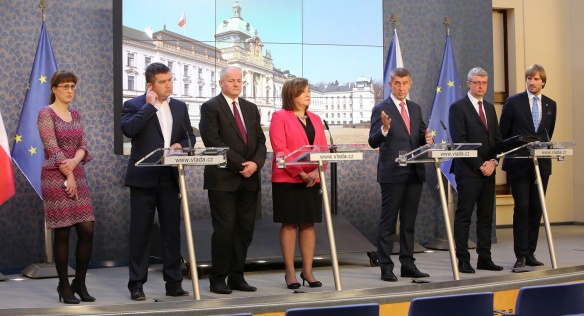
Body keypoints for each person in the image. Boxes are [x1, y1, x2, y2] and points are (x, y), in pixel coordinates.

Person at [121, 62, 195, 300]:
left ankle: (173, 282)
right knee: (140, 233)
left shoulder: (180, 107)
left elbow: (190, 137)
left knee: (171, 232)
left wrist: (180, 146)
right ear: (150, 85)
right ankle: (137, 284)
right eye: (164, 82)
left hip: (170, 177)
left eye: (171, 80)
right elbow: (129, 130)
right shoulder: (133, 105)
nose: (169, 85)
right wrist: (149, 106)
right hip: (143, 178)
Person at [199, 66, 267, 294]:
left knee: (244, 231)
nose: (237, 84)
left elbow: (260, 141)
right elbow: (213, 141)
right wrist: (241, 166)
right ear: (221, 83)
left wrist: (256, 164)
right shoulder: (210, 107)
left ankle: (237, 277)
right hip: (223, 179)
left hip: (250, 179)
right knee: (224, 230)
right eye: (231, 80)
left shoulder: (251, 108)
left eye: (239, 80)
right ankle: (218, 279)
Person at [368, 67, 433, 282]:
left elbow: (420, 137)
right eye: (397, 83)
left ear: (410, 84)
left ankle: (408, 264)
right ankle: (386, 267)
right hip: (392, 174)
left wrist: (428, 140)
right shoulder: (381, 109)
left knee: (408, 223)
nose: (401, 87)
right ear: (390, 85)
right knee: (388, 223)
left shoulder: (415, 108)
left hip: (414, 172)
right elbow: (373, 141)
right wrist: (384, 129)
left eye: (405, 83)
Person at [38, 70, 95, 304]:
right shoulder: (45, 114)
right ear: (54, 89)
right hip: (55, 176)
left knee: (87, 229)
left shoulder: (76, 114)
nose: (70, 90)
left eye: (72, 86)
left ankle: (79, 282)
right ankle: (64, 286)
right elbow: (51, 146)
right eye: (64, 86)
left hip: (76, 174)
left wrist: (74, 163)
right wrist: (68, 171)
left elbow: (83, 144)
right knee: (62, 232)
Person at [269, 78, 327, 289]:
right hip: (288, 179)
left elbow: (323, 150)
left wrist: (316, 173)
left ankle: (308, 272)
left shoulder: (316, 118)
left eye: (309, 91)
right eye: (303, 92)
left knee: (308, 224)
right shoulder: (279, 117)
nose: (308, 95)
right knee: (290, 224)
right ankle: (290, 273)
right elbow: (280, 151)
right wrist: (301, 173)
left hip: (312, 178)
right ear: (291, 95)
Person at [499, 64, 557, 268]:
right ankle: (520, 255)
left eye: (535, 79)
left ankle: (530, 252)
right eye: (529, 78)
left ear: (543, 82)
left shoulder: (551, 104)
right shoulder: (514, 102)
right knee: (522, 208)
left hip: (541, 165)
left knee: (536, 209)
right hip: (519, 165)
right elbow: (503, 134)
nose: (531, 82)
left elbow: (548, 133)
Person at [449, 67, 503, 274]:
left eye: (484, 83)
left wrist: (494, 162)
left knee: (486, 216)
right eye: (477, 82)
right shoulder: (458, 108)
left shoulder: (490, 108)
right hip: (469, 171)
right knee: (464, 216)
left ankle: (485, 258)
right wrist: (481, 164)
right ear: (468, 83)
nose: (481, 86)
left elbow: (497, 140)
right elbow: (459, 141)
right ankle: (463, 259)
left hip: (489, 170)